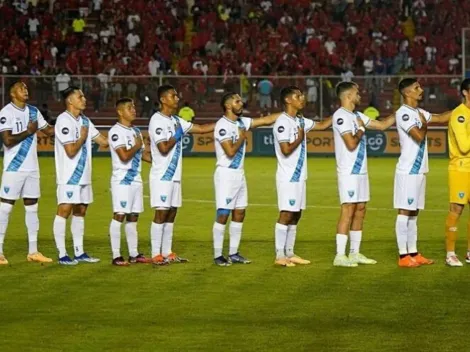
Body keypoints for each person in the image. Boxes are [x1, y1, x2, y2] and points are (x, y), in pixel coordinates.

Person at [148, 85, 215, 265]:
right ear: (163, 99)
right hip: (162, 176)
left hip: (175, 176)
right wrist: (177, 135)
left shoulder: (177, 120)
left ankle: (167, 252)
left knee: (171, 213)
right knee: (161, 213)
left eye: (176, 95)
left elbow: (201, 129)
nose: (177, 98)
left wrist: (224, 122)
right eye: (173, 95)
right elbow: (163, 148)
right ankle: (156, 254)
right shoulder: (157, 120)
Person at [212, 93, 281, 266]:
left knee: (240, 212)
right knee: (223, 214)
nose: (241, 103)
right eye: (236, 101)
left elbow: (266, 120)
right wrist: (242, 137)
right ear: (228, 106)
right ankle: (218, 255)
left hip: (239, 174)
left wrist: (287, 114)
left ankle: (234, 253)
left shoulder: (242, 122)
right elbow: (229, 152)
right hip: (226, 174)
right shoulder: (222, 125)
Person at [332, 82, 395, 267]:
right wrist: (360, 129)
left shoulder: (358, 116)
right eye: (357, 93)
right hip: (348, 172)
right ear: (348, 96)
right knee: (348, 210)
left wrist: (398, 113)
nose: (360, 95)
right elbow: (351, 143)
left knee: (360, 209)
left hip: (361, 171)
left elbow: (382, 125)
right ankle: (339, 255)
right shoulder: (341, 117)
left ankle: (354, 253)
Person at [272, 86, 333, 267]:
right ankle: (279, 255)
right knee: (286, 213)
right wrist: (300, 137)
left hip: (300, 176)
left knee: (297, 214)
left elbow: (321, 126)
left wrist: (339, 114)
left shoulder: (300, 120)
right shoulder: (282, 123)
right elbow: (286, 150)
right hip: (288, 176)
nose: (302, 98)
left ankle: (290, 252)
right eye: (298, 96)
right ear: (288, 100)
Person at [394, 78, 450, 267]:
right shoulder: (404, 113)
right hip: (408, 170)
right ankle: (403, 256)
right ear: (407, 92)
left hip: (419, 170)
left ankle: (414, 253)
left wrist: (463, 109)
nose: (421, 90)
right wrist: (424, 121)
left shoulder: (419, 112)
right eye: (416, 87)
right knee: (405, 211)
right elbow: (418, 135)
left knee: (414, 212)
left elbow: (442, 118)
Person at [52, 86, 109, 265]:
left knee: (81, 211)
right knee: (64, 211)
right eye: (80, 96)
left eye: (83, 96)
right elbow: (70, 150)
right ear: (70, 101)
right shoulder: (63, 120)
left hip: (84, 176)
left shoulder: (85, 121)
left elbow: (104, 142)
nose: (84, 99)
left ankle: (79, 252)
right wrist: (83, 137)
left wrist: (122, 132)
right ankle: (62, 254)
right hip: (69, 177)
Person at [0, 81, 55, 265]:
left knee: (32, 207)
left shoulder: (33, 111)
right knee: (5, 207)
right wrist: (28, 131)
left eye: (26, 88)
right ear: (12, 93)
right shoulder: (6, 112)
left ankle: (33, 251)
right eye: (21, 88)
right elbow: (7, 141)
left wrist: (67, 123)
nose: (26, 90)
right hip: (14, 167)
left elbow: (49, 130)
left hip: (32, 168)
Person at [108, 98, 152, 266]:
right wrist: (137, 145)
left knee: (133, 217)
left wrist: (159, 161)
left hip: (136, 180)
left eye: (134, 106)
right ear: (120, 112)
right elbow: (124, 156)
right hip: (122, 181)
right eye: (129, 107)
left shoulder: (136, 131)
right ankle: (116, 255)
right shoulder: (115, 131)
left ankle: (134, 254)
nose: (133, 109)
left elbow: (143, 155)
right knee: (119, 215)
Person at [444, 79, 470, 266]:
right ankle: (450, 254)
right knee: (457, 210)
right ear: (465, 93)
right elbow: (464, 146)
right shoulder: (459, 115)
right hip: (460, 168)